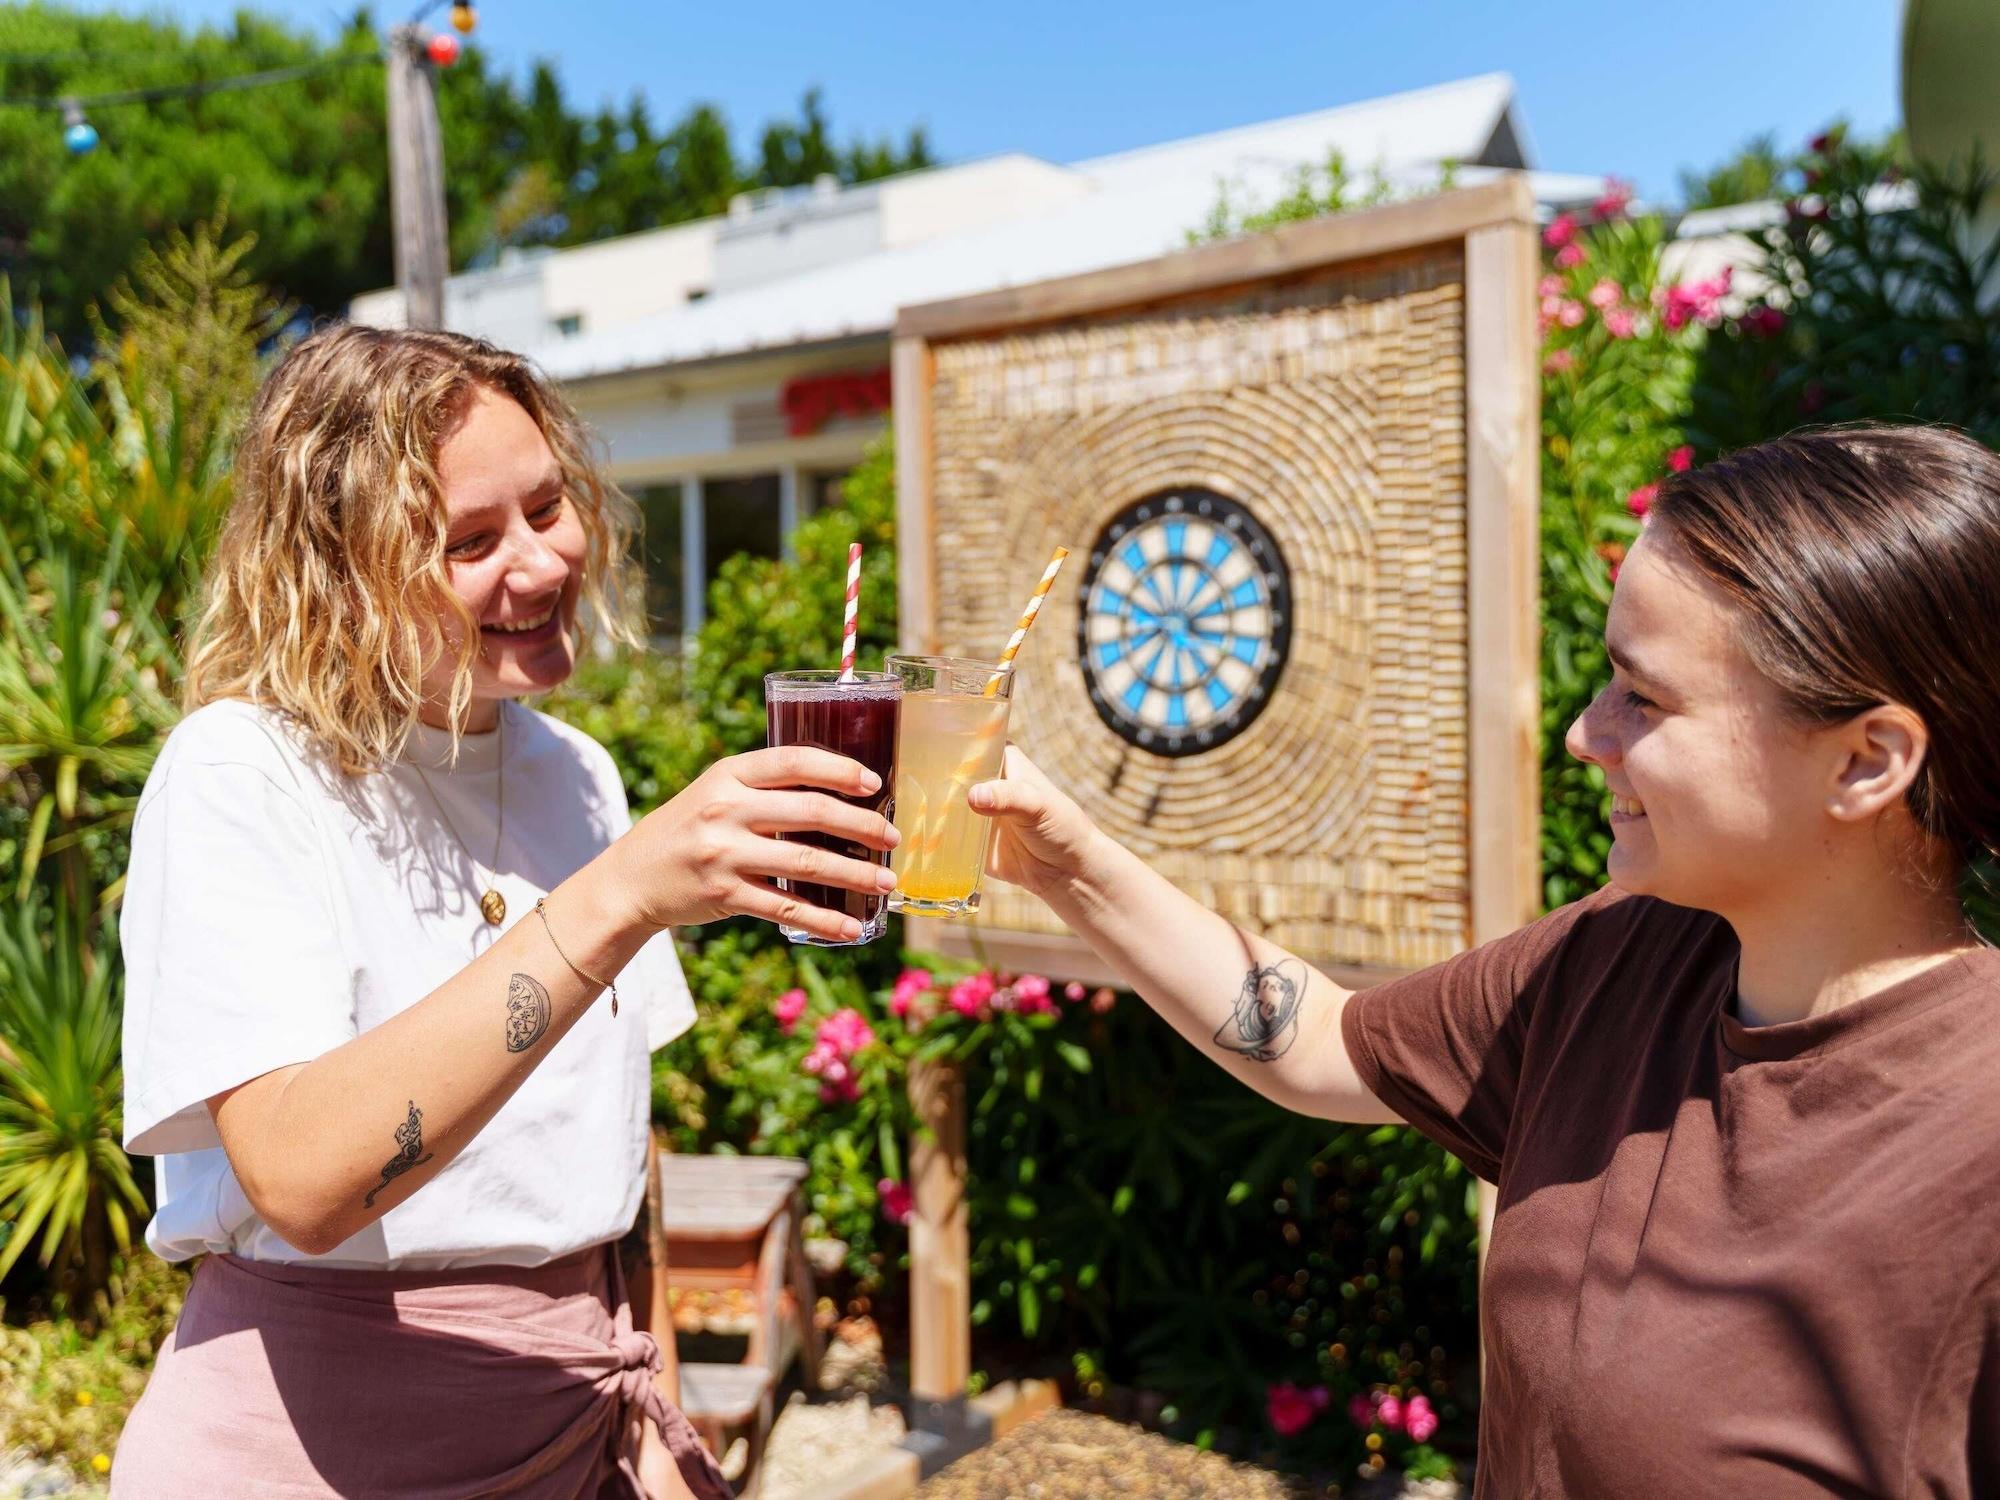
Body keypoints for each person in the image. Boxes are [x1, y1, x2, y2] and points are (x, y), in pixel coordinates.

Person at [969, 423, 2000, 1496]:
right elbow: (1320, 1044)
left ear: (1865, 760)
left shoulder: (1973, 1149)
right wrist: (1069, 869)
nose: (1584, 734)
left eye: (1641, 699)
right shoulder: (1624, 959)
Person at [113, 325, 899, 1498]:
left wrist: (653, 1412)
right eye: (467, 541)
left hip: (574, 1432)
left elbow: (620, 1160)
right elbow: (303, 1180)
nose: (539, 563)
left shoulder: (573, 769)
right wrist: (618, 896)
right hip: (311, 1448)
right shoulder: (244, 769)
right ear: (339, 569)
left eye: (547, 506)